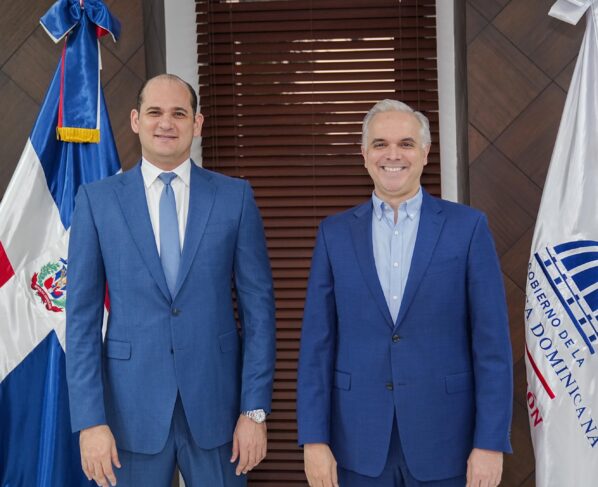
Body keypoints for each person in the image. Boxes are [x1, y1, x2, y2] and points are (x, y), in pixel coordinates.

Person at [66, 74, 276, 487]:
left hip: (219, 412)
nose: (166, 123)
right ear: (135, 120)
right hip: (128, 416)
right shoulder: (97, 201)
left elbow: (259, 313)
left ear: (197, 124)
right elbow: (81, 322)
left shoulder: (235, 198)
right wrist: (91, 421)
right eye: (155, 112)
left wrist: (254, 411)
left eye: (179, 113)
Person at [297, 99, 512, 487]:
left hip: (448, 443)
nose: (392, 155)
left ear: (425, 153)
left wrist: (490, 442)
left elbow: (492, 346)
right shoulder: (334, 234)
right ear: (364, 155)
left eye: (406, 144)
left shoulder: (467, 228)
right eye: (380, 144)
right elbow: (317, 346)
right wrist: (314, 439)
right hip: (356, 443)